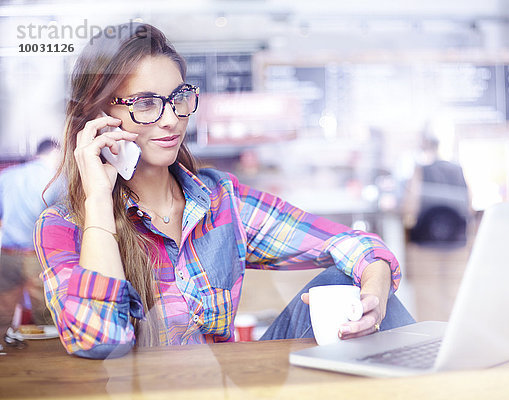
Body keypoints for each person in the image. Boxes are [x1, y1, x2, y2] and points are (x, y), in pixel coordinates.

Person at [34, 22, 414, 359]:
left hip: (228, 386)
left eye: (177, 98)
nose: (171, 119)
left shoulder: (222, 200)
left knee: (347, 281)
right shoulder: (64, 226)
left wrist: (375, 299)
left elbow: (356, 246)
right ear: (98, 117)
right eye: (146, 103)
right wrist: (98, 200)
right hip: (143, 391)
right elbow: (101, 341)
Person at [0, 139, 61, 325]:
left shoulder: (7, 175)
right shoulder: (56, 179)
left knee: (3, 316)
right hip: (38, 258)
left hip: (6, 255)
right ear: (55, 153)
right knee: (45, 317)